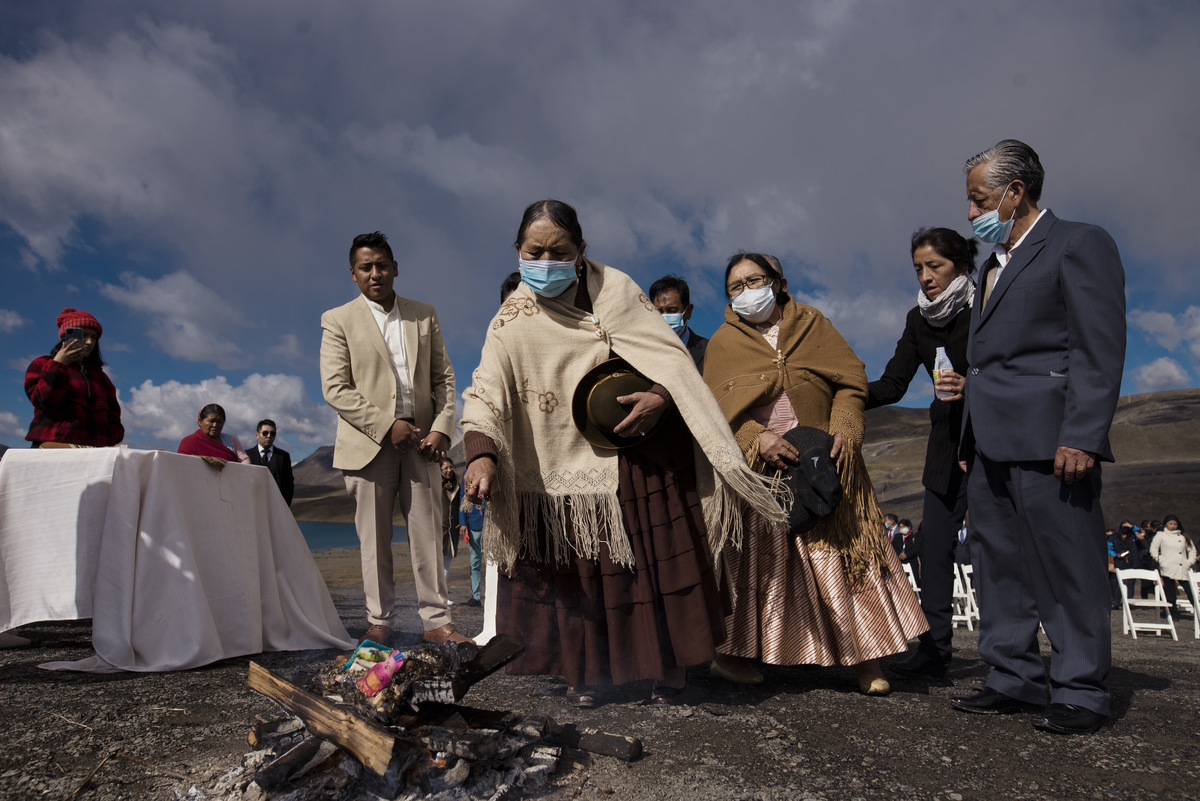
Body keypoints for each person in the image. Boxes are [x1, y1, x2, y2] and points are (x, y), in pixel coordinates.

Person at [460, 200, 783, 707]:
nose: (546, 260)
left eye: (558, 251)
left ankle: (668, 672)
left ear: (582, 250)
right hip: (558, 472)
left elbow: (670, 359)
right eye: (534, 251)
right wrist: (481, 453)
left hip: (638, 456)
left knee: (651, 567)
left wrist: (659, 395)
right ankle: (587, 675)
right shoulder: (511, 319)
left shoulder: (618, 292)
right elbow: (485, 390)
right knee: (581, 579)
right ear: (518, 252)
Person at [951, 139, 1126, 735]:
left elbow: (1097, 349)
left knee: (1067, 565)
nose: (971, 213)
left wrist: (1082, 433)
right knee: (997, 563)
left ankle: (1079, 687)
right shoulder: (989, 266)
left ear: (1014, 192)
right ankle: (1012, 676)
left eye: (978, 200)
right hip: (989, 445)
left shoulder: (1080, 243)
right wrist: (969, 439)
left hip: (1052, 441)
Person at [702, 251, 927, 696]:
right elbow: (713, 408)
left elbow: (850, 381)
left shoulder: (813, 324)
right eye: (736, 286)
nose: (747, 291)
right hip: (762, 469)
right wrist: (756, 435)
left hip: (824, 457)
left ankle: (867, 660)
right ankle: (731, 655)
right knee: (758, 562)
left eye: (755, 280)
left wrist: (844, 428)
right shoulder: (722, 344)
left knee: (844, 557)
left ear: (779, 283)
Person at [320, 230, 462, 647]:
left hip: (422, 444)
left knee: (428, 535)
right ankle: (380, 621)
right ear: (353, 274)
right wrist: (386, 426)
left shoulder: (424, 314)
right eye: (366, 267)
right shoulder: (337, 319)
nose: (375, 273)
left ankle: (437, 622)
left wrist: (441, 428)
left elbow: (445, 380)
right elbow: (335, 387)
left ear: (395, 268)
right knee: (374, 541)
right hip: (368, 446)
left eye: (382, 265)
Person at [868, 226, 977, 679]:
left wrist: (973, 387)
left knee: (1004, 546)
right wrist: (836, 393)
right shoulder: (918, 320)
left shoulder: (987, 306)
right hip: (946, 443)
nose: (926, 277)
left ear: (961, 266)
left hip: (991, 438)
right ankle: (934, 649)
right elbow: (893, 385)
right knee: (933, 544)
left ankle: (1016, 656)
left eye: (935, 266)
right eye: (918, 268)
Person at [24, 308, 124, 447]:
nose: (89, 342)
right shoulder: (41, 364)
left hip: (95, 453)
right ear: (67, 336)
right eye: (84, 335)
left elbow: (114, 417)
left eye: (94, 337)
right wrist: (58, 365)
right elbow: (44, 402)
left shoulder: (101, 378)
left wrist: (109, 438)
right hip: (52, 448)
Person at [649, 274, 708, 371]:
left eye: (672, 310)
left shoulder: (709, 350)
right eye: (659, 312)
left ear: (688, 311)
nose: (664, 317)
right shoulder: (643, 351)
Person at [1150, 516, 1197, 617]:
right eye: (1171, 524)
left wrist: (1190, 562)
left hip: (1182, 567)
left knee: (1190, 590)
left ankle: (1197, 609)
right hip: (1167, 566)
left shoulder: (1183, 536)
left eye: (1175, 524)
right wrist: (1161, 561)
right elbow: (1153, 549)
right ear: (1166, 524)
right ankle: (1172, 613)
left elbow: (1192, 550)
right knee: (1170, 591)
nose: (1173, 526)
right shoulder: (1161, 535)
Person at [177, 404, 250, 463]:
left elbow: (244, 461)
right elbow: (181, 464)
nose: (215, 425)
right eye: (211, 421)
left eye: (219, 422)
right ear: (200, 421)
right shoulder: (189, 442)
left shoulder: (232, 440)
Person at [246, 419, 295, 505]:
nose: (269, 436)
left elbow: (288, 484)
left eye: (272, 433)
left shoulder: (283, 456)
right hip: (251, 504)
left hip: (276, 506)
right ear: (257, 435)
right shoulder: (246, 455)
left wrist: (285, 506)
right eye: (265, 433)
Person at [459, 479, 486, 607]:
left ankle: (495, 596)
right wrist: (463, 523)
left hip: (492, 525)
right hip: (474, 525)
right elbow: (462, 500)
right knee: (475, 562)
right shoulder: (466, 475)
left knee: (494, 563)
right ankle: (476, 597)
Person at [440, 456, 461, 597]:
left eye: (451, 467)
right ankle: (436, 595)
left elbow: (459, 505)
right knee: (437, 561)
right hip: (439, 528)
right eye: (446, 468)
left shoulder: (457, 486)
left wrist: (461, 522)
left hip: (453, 528)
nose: (449, 470)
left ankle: (442, 595)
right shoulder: (435, 485)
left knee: (447, 561)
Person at [1107, 523, 1141, 609]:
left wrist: (1131, 526)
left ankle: (1129, 602)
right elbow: (1109, 548)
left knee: (1130, 583)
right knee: (1120, 583)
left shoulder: (1133, 537)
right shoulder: (1114, 537)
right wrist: (1115, 554)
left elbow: (1141, 533)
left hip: (1133, 562)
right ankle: (1117, 602)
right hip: (1120, 562)